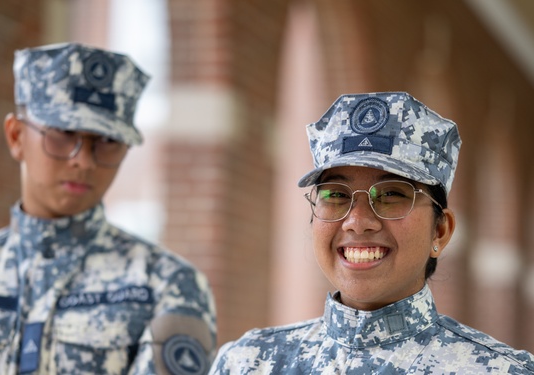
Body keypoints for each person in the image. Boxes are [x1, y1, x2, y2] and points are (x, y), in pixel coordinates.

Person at [0, 42, 216, 374]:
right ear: (16, 136)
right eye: (63, 134)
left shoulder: (168, 283)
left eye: (107, 141)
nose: (82, 160)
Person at [209, 91, 534, 374]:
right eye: (336, 195)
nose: (358, 221)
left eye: (392, 194)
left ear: (440, 230)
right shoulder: (250, 363)